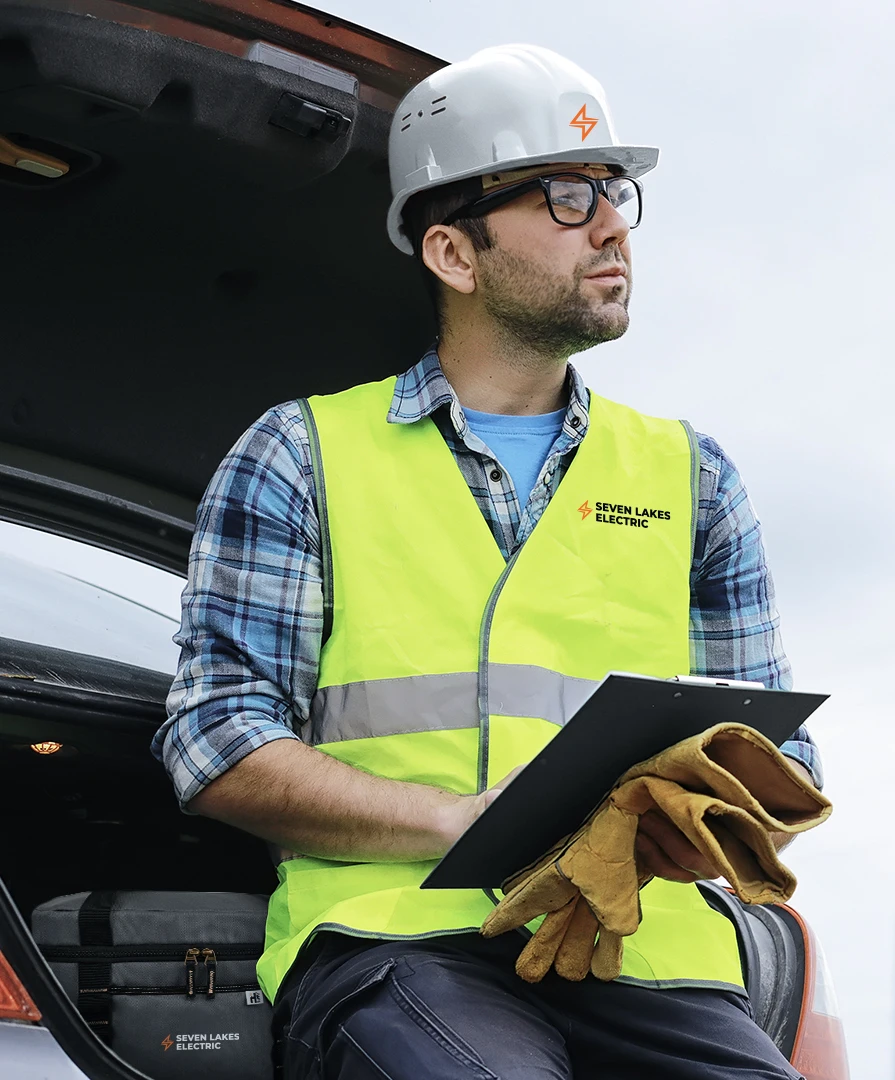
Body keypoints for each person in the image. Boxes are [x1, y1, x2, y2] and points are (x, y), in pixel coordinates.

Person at [151, 44, 819, 1080]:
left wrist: (697, 823)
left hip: (646, 963)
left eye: (614, 192)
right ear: (454, 255)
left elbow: (784, 761)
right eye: (563, 196)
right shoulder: (301, 456)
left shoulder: (694, 478)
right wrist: (471, 826)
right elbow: (217, 744)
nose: (609, 225)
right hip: (397, 948)